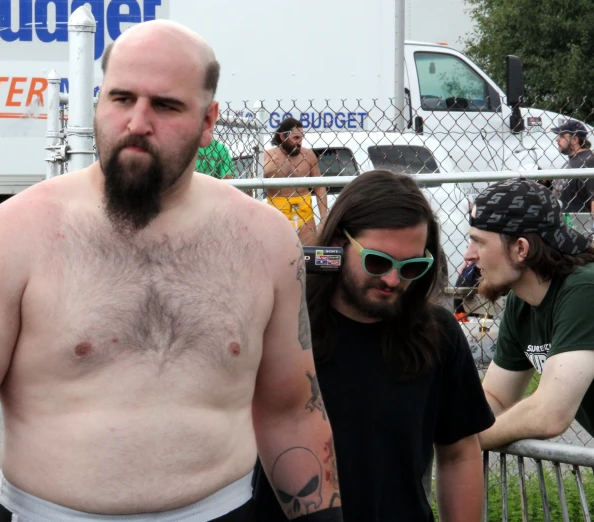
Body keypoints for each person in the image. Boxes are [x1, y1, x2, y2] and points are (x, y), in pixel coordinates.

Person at [0, 20, 343, 522]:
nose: (137, 122)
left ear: (209, 120)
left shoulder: (263, 241)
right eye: (121, 98)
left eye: (166, 105)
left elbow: (291, 410)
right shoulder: (14, 234)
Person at [254, 170, 494, 522]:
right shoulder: (281, 324)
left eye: (412, 266)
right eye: (377, 261)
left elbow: (458, 453)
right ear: (337, 244)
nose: (393, 279)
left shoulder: (437, 334)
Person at [465, 178, 594, 450]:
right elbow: (496, 398)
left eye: (479, 242)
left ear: (520, 248)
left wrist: (463, 443)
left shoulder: (585, 289)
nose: (469, 255)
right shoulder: (521, 301)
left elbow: (550, 414)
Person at [264, 118, 329, 245]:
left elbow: (320, 187)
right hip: (277, 214)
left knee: (309, 255)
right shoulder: (268, 156)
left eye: (301, 138)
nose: (299, 142)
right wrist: (266, 171)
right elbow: (251, 188)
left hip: (305, 214)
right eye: (296, 138)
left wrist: (323, 218)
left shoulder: (308, 155)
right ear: (283, 137)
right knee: (279, 255)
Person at [550, 119, 594, 213]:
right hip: (565, 223)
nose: (557, 139)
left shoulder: (588, 161)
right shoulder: (571, 161)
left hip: (580, 224)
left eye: (562, 136)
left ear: (574, 139)